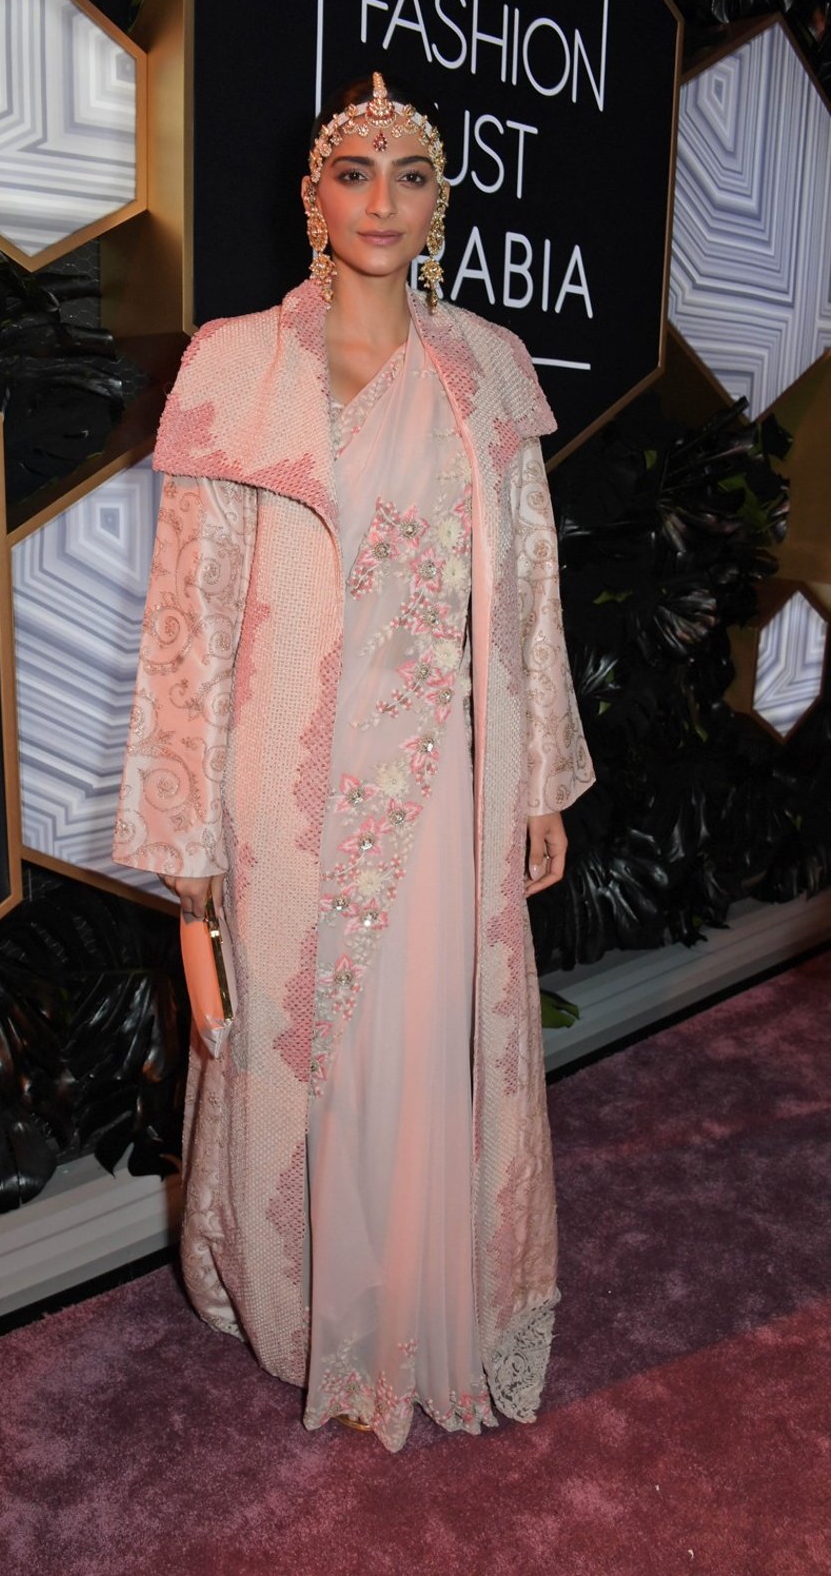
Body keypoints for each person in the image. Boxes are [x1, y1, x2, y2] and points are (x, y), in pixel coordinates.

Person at [113, 71, 594, 1454]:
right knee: (305, 1040)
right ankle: (318, 1299)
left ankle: (426, 1298)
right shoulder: (235, 363)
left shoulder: (490, 367)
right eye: (354, 171)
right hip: (286, 778)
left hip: (446, 773)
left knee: (429, 1041)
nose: (382, 200)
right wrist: (184, 816)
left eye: (411, 173)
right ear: (312, 195)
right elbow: (190, 614)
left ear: (443, 199)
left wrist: (545, 768)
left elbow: (531, 590)